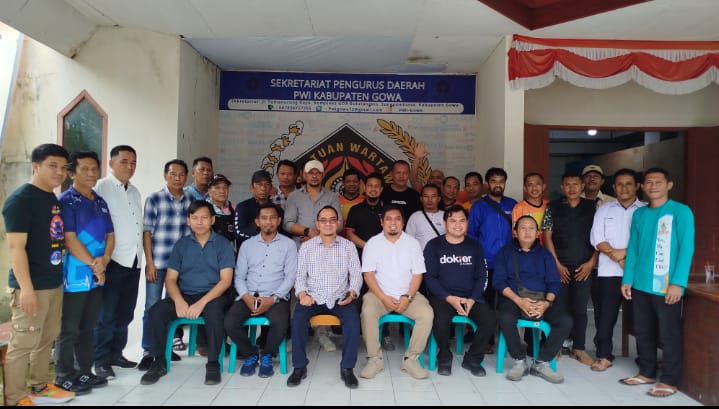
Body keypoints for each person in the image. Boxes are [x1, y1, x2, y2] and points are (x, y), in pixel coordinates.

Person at [2, 144, 74, 406]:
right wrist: (27, 289)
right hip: (31, 285)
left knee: (47, 337)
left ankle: (40, 386)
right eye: (52, 166)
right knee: (23, 342)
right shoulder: (21, 200)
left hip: (52, 282)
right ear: (36, 166)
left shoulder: (50, 197)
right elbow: (15, 247)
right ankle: (15, 398)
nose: (59, 172)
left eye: (63, 167)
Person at [140, 200, 235, 386]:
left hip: (213, 295)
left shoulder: (223, 244)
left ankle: (213, 363)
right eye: (195, 218)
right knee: (156, 312)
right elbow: (170, 279)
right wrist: (178, 300)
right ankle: (159, 361)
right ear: (188, 221)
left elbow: (225, 281)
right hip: (186, 294)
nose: (199, 222)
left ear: (212, 220)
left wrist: (201, 303)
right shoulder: (181, 245)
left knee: (215, 313)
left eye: (204, 218)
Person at [619, 167, 694, 398]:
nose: (653, 186)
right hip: (641, 283)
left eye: (658, 182)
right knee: (643, 330)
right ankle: (647, 372)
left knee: (668, 333)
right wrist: (627, 279)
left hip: (666, 284)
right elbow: (633, 248)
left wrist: (678, 283)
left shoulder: (680, 212)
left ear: (669, 185)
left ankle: (669, 380)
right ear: (642, 186)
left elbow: (686, 248)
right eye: (648, 182)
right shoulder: (640, 214)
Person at [54, 152, 115, 394]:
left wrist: (105, 261)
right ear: (72, 173)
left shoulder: (100, 201)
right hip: (75, 274)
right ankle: (64, 375)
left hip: (97, 274)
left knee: (88, 326)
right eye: (85, 169)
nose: (91, 173)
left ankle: (84, 372)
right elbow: (69, 239)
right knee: (69, 328)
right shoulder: (66, 202)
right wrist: (94, 264)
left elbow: (110, 235)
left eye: (94, 169)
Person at [286, 206, 363, 389]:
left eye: (332, 220)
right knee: (298, 320)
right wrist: (303, 294)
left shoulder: (348, 246)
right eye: (323, 220)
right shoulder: (307, 247)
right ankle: (299, 367)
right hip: (313, 297)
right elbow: (299, 276)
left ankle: (347, 368)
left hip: (340, 297)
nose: (328, 224)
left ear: (338, 223)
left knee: (353, 322)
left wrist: (352, 293)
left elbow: (356, 275)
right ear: (317, 224)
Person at [493, 215, 571, 384]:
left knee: (565, 321)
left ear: (538, 233)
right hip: (514, 299)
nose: (527, 232)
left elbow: (554, 283)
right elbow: (498, 281)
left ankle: (541, 362)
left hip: (541, 300)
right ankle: (519, 361)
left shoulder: (545, 255)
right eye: (523, 228)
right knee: (505, 317)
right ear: (515, 232)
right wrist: (519, 301)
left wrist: (546, 303)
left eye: (531, 229)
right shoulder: (505, 252)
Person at [359, 205, 433, 380]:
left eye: (397, 218)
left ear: (403, 222)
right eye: (388, 219)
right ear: (382, 222)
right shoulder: (373, 244)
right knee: (368, 312)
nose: (393, 222)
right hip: (379, 294)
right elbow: (368, 274)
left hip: (408, 294)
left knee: (426, 314)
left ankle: (411, 360)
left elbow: (418, 274)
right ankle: (374, 359)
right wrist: (383, 297)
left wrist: (408, 297)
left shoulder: (412, 244)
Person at [224, 203, 296, 378]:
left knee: (281, 324)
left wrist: (273, 299)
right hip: (249, 295)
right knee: (229, 323)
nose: (268, 222)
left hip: (275, 296)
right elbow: (239, 276)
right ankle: (250, 354)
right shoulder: (247, 245)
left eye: (272, 218)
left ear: (279, 221)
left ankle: (267, 355)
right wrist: (246, 297)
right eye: (264, 218)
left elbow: (290, 277)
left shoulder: (289, 245)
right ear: (257, 221)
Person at [423, 205, 496, 377]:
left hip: (470, 297)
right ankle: (444, 356)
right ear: (445, 223)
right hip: (443, 297)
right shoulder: (433, 245)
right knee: (440, 320)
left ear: (467, 223)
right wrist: (450, 298)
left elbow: (482, 276)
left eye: (462, 220)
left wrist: (472, 299)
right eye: (453, 221)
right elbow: (430, 278)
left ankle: (473, 358)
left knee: (490, 319)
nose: (457, 224)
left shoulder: (475, 246)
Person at [93, 145, 143, 379]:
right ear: (111, 163)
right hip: (112, 260)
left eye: (133, 162)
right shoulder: (101, 188)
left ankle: (116, 354)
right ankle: (101, 360)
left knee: (125, 312)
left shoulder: (134, 192)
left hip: (134, 260)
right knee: (107, 314)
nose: (130, 166)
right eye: (124, 161)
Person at [283, 159, 343, 352]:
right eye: (311, 172)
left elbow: (339, 224)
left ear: (323, 174)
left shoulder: (332, 196)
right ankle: (296, 335)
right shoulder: (294, 196)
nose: (314, 175)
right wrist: (309, 232)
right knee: (298, 291)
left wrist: (318, 236)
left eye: (318, 172)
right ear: (304, 175)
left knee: (323, 288)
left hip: (326, 250)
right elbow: (287, 223)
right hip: (299, 250)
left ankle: (323, 334)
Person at [139, 159, 194, 370]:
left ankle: (165, 347)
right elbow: (147, 232)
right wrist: (149, 263)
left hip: (180, 266)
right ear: (165, 175)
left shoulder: (190, 200)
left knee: (171, 307)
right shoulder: (155, 199)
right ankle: (148, 350)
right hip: (159, 262)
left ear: (186, 177)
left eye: (181, 174)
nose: (177, 178)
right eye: (173, 174)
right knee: (152, 306)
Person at [589, 169, 644, 372]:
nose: (624, 188)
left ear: (637, 186)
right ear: (613, 187)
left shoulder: (645, 210)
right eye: (619, 184)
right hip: (609, 273)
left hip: (638, 273)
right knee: (606, 316)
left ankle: (645, 357)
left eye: (628, 183)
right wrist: (618, 257)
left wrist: (625, 256)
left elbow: (647, 242)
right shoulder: (604, 210)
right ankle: (604, 355)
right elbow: (597, 238)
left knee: (642, 317)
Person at [542, 171, 597, 366]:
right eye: (567, 184)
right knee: (558, 307)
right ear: (562, 187)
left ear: (582, 186)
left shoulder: (593, 207)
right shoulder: (552, 207)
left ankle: (578, 348)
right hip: (559, 266)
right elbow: (547, 236)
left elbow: (601, 237)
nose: (572, 188)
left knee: (580, 308)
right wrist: (556, 264)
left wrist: (591, 263)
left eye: (575, 184)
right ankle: (555, 347)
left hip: (584, 266)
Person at [468, 167, 517, 351]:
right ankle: (487, 341)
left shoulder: (513, 205)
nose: (498, 185)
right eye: (494, 181)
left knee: (507, 304)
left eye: (501, 181)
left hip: (508, 264)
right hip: (486, 263)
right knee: (486, 303)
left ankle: (507, 342)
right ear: (487, 184)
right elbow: (471, 235)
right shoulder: (479, 206)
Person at [234, 170, 273, 248]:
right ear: (252, 187)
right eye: (259, 184)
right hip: (248, 252)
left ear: (271, 188)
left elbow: (283, 233)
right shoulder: (243, 207)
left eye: (267, 184)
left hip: (272, 252)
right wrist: (263, 238)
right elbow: (238, 233)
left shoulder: (276, 209)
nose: (263, 188)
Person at [405, 183, 445, 250]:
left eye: (433, 196)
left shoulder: (446, 216)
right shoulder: (415, 217)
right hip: (420, 255)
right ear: (421, 199)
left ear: (439, 199)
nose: (429, 200)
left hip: (441, 255)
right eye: (426, 196)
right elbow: (408, 240)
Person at [511, 172, 548, 244]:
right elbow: (515, 234)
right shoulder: (519, 208)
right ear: (525, 188)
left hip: (548, 248)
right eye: (530, 185)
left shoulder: (549, 205)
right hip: (529, 248)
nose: (534, 188)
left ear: (543, 187)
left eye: (538, 184)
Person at [206, 173, 236, 252]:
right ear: (209, 191)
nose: (222, 191)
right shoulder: (203, 209)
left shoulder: (234, 209)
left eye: (225, 187)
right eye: (217, 187)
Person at [339, 168, 365, 234]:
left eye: (355, 181)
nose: (351, 184)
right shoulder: (336, 201)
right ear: (343, 183)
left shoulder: (365, 201)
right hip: (339, 238)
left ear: (359, 183)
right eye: (348, 181)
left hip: (359, 238)